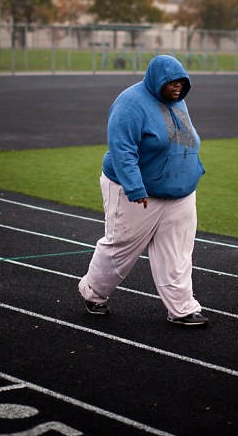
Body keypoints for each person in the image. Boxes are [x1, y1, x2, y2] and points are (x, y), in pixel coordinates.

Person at [78, 54, 208, 327]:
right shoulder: (129, 103)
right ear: (156, 80)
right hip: (137, 192)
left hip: (179, 192)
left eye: (182, 83)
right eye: (172, 83)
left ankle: (182, 308)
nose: (177, 88)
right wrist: (135, 187)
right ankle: (93, 292)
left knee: (178, 253)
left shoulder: (177, 101)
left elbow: (183, 138)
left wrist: (193, 167)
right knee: (121, 246)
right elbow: (122, 149)